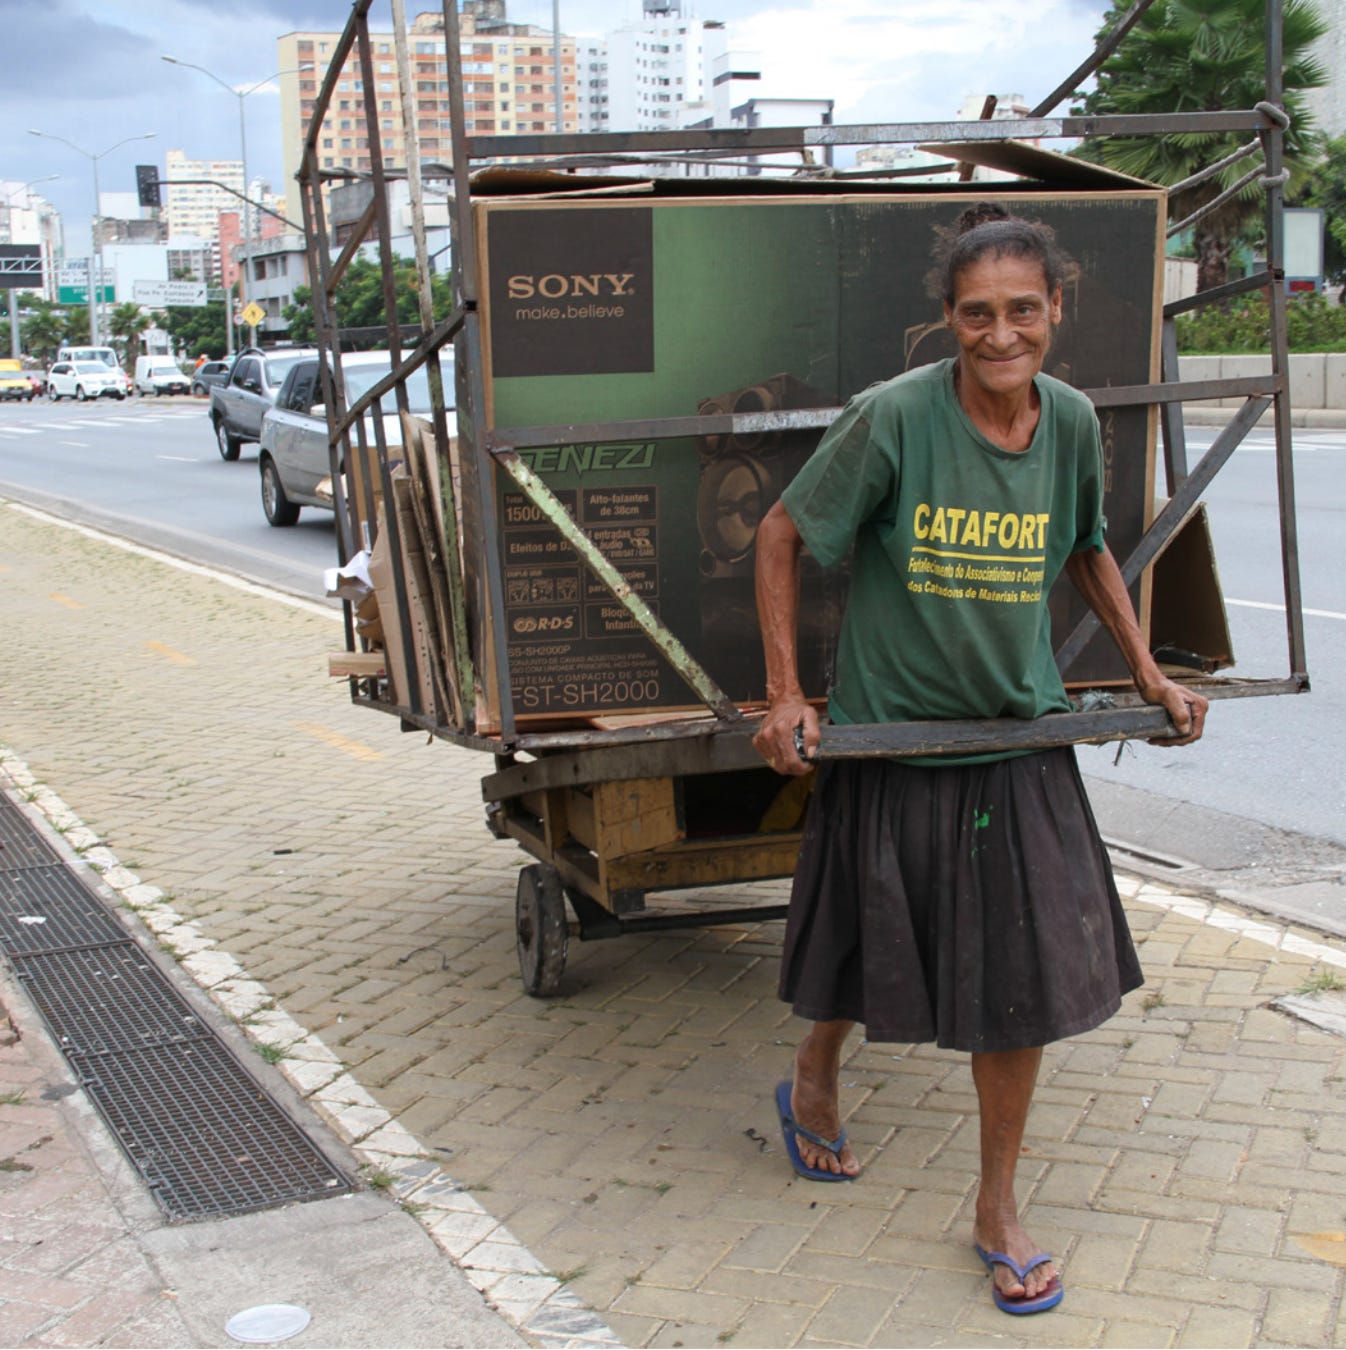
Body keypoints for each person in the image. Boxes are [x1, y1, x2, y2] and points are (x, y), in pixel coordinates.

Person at [752, 203, 1208, 1317]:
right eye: (974, 315)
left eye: (1019, 311)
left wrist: (1146, 673)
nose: (998, 334)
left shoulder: (1065, 423)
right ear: (945, 321)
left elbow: (1086, 547)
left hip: (1016, 740)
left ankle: (996, 1206)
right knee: (869, 947)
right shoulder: (892, 419)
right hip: (898, 737)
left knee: (1020, 983)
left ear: (1054, 308)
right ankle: (814, 1070)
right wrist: (782, 692)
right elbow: (778, 534)